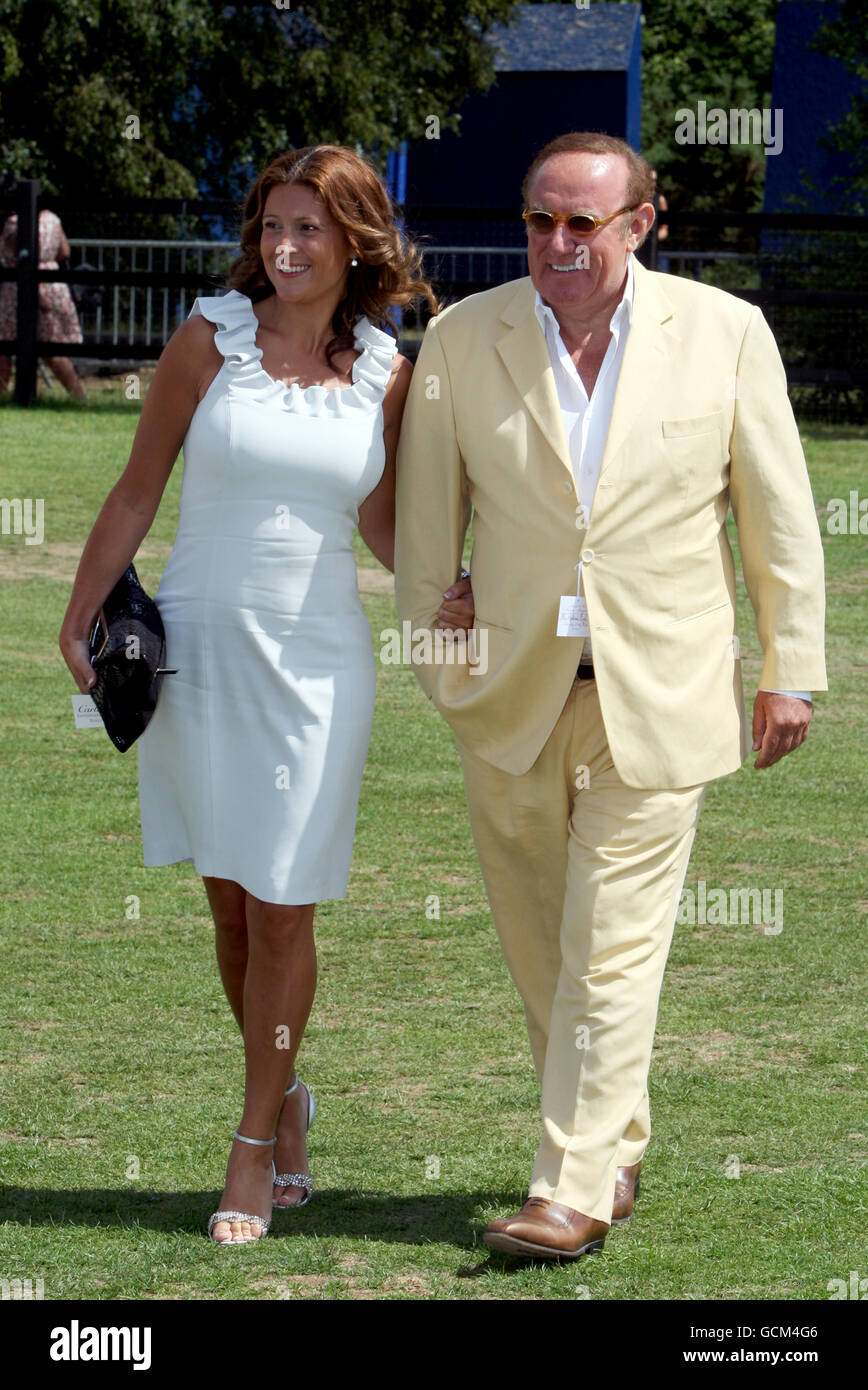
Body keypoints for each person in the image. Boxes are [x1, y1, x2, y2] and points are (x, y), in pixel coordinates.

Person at [394, 131, 826, 1260]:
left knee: (612, 950)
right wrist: (438, 655)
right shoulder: (459, 336)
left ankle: (568, 1188)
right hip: (508, 696)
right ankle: (612, 1137)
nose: (557, 242)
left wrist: (790, 666)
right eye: (540, 219)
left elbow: (777, 515)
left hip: (661, 692)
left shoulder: (725, 335)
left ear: (645, 222)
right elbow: (428, 523)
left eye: (582, 221)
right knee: (543, 948)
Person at [59, 145, 474, 1246]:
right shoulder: (209, 339)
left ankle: (250, 1142)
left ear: (355, 243)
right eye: (272, 228)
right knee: (232, 907)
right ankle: (284, 1090)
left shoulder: (389, 372)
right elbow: (139, 485)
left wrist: (458, 585)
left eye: (310, 230)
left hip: (319, 665)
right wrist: (77, 611)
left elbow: (388, 530)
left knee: (285, 899)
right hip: (198, 649)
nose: (285, 249)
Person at [0, 206, 87, 401]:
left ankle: (4, 395)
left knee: (4, 346)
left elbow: (13, 255)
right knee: (53, 349)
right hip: (52, 283)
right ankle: (80, 398)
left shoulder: (12, 223)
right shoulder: (53, 219)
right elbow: (64, 251)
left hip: (17, 286)